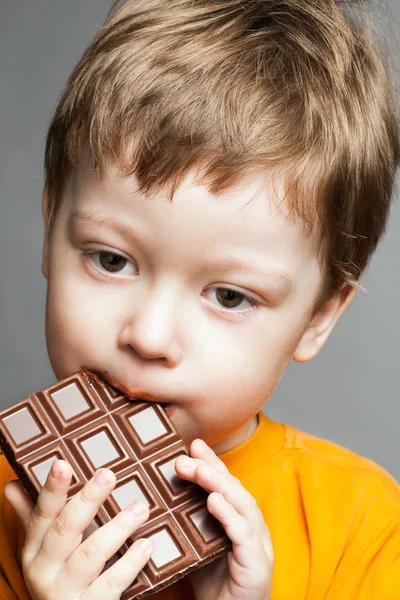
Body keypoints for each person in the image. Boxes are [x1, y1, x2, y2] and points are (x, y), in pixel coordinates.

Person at [1, 0, 399, 598]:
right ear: (51, 225)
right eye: (112, 260)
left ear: (318, 317)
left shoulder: (362, 522)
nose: (150, 336)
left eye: (230, 296)